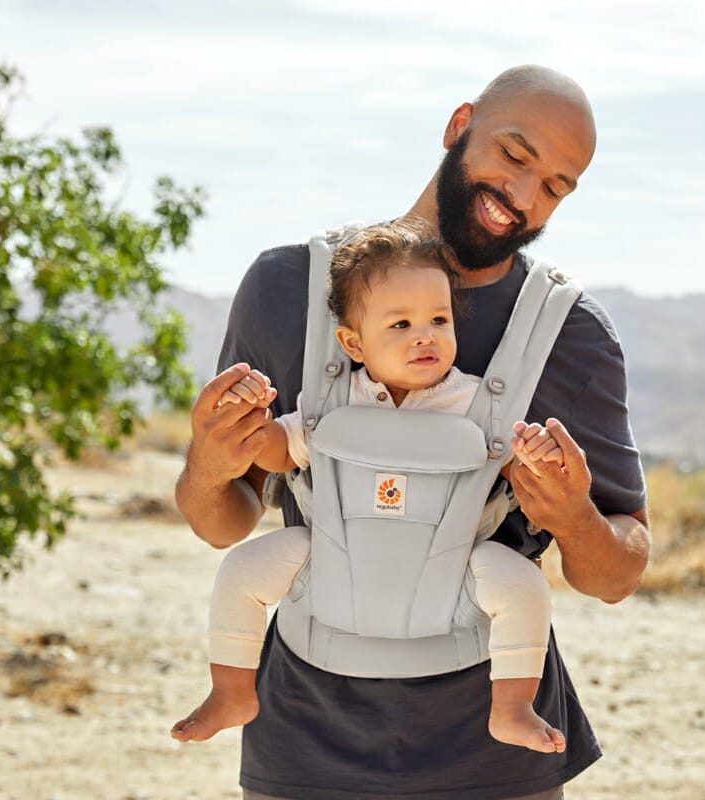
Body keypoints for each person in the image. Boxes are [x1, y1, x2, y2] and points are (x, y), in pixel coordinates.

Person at [176, 65, 651, 800]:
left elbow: (617, 573)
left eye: (556, 186)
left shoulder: (571, 338)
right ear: (459, 125)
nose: (523, 198)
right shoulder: (286, 291)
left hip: (493, 765)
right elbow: (223, 523)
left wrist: (575, 518)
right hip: (305, 745)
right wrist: (208, 464)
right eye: (515, 156)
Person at [170, 220, 570, 753]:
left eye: (438, 319)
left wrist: (539, 459)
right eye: (400, 324)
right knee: (241, 570)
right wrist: (249, 419)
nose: (425, 335)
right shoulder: (332, 403)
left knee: (524, 586)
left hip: (455, 570)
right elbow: (276, 451)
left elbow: (511, 471)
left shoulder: (477, 405)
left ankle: (513, 706)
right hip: (330, 558)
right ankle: (232, 691)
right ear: (353, 343)